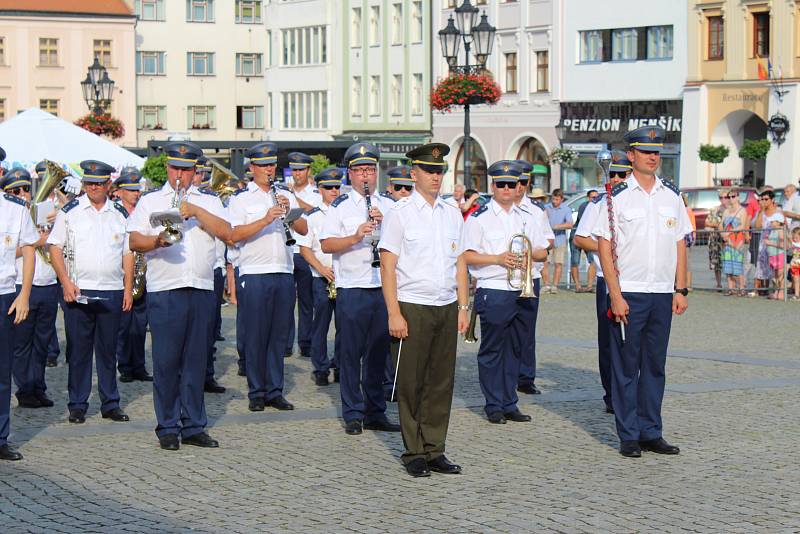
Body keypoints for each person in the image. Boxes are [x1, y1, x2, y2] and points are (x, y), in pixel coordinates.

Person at [592, 126, 691, 458]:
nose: (653, 156)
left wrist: (681, 288)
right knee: (625, 366)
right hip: (630, 292)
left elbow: (680, 243)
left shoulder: (671, 195)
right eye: (646, 151)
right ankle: (629, 434)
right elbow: (606, 249)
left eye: (656, 151)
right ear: (631, 155)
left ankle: (651, 430)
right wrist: (615, 295)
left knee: (654, 366)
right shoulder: (616, 197)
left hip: (662, 292)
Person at [128, 141, 232, 450]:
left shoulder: (209, 200)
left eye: (187, 170)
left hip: (201, 287)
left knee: (196, 360)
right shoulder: (150, 200)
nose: (181, 176)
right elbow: (134, 239)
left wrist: (196, 211)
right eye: (176, 169)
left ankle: (194, 425)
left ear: (195, 171)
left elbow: (227, 232)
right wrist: (156, 242)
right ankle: (168, 426)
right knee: (166, 361)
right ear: (168, 168)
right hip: (166, 289)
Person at [379, 143, 469, 477]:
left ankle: (435, 449)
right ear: (413, 173)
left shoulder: (450, 213)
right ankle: (414, 451)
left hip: (444, 305)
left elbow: (459, 261)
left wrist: (463, 305)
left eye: (439, 171)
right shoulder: (400, 214)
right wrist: (393, 312)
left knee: (440, 382)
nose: (435, 177)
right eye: (429, 171)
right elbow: (387, 266)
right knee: (411, 381)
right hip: (412, 305)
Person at [320, 142, 401, 435]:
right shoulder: (339, 206)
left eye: (369, 169)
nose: (365, 176)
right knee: (351, 354)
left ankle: (375, 410)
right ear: (350, 174)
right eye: (359, 170)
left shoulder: (391, 205)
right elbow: (327, 244)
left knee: (379, 354)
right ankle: (353, 412)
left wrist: (385, 225)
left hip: (382, 287)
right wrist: (356, 235)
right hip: (352, 287)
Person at [462, 160, 549, 425]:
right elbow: (467, 256)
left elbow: (543, 251)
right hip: (495, 288)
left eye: (512, 184)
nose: (507, 189)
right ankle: (494, 404)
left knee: (515, 348)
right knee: (493, 350)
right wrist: (498, 259)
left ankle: (510, 402)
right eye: (501, 184)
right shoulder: (480, 217)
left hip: (523, 287)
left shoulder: (527, 216)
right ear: (493, 186)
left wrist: (528, 253)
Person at [47, 160, 134, 425]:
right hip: (78, 291)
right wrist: (65, 282)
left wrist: (128, 288)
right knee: (79, 351)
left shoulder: (120, 213)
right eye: (89, 183)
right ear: (84, 184)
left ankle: (110, 403)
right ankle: (77, 404)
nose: (93, 188)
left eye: (99, 183)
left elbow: (128, 252)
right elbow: (54, 247)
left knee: (108, 352)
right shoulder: (70, 211)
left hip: (111, 289)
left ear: (109, 184)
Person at [228, 143, 308, 412]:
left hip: (283, 271)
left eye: (272, 165)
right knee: (255, 335)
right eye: (263, 165)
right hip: (254, 272)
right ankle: (256, 392)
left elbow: (304, 228)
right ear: (252, 168)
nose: (269, 170)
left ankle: (275, 390)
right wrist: (264, 219)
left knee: (278, 335)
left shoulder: (285, 194)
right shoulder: (241, 199)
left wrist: (289, 213)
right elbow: (234, 235)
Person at [573, 150, 632, 414]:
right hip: (606, 281)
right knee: (609, 342)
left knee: (633, 343)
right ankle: (612, 394)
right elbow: (580, 238)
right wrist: (605, 246)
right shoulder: (599, 204)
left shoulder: (636, 202)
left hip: (635, 282)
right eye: (614, 174)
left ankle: (632, 392)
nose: (618, 178)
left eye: (623, 174)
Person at [2, 170, 57, 410]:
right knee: (22, 344)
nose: (23, 194)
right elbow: (13, 252)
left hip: (45, 283)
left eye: (26, 189)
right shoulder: (13, 214)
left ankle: (37, 387)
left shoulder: (37, 211)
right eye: (16, 191)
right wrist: (36, 242)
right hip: (17, 285)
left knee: (42, 342)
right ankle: (25, 389)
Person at [0, 146, 38, 461]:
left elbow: (28, 250)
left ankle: (0, 439)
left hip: (3, 294)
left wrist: (24, 294)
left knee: (2, 372)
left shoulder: (15, 209)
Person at [296, 168, 342, 386]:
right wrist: (321, 269)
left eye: (337, 187)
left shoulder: (344, 212)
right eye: (329, 187)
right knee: (321, 325)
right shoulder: (312, 216)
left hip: (344, 277)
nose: (334, 190)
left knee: (345, 326)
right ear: (320, 190)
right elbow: (305, 249)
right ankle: (321, 367)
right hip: (321, 277)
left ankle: (342, 365)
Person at [513, 160, 554, 396]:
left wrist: (534, 249)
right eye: (516, 182)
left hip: (530, 274)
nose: (519, 187)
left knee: (527, 330)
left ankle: (526, 377)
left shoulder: (537, 212)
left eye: (523, 182)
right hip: (504, 276)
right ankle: (507, 373)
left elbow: (548, 240)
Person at [113, 168, 153, 384]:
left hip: (143, 271)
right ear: (119, 192)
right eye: (130, 190)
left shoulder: (143, 211)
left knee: (140, 323)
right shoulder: (116, 212)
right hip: (122, 272)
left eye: (137, 190)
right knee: (123, 324)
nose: (135, 193)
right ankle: (125, 365)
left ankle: (139, 365)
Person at [194, 167, 226, 394]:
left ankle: (207, 375)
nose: (198, 178)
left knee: (209, 328)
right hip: (187, 272)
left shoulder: (212, 201)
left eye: (199, 174)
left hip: (212, 269)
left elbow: (225, 234)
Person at [286, 152, 321, 359]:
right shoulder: (282, 191)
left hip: (306, 251)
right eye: (294, 170)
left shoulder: (316, 193)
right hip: (289, 250)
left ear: (308, 171)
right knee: (287, 301)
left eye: (301, 170)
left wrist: (293, 198)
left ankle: (306, 342)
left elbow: (315, 211)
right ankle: (287, 343)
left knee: (307, 302)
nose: (297, 174)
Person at [753, 190, 784, 298]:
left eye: (766, 199)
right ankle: (759, 290)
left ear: (772, 200)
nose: (763, 201)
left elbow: (783, 227)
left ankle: (777, 291)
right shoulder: (761, 212)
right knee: (761, 266)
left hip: (776, 245)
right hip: (763, 243)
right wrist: (761, 211)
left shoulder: (778, 212)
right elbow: (757, 226)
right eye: (761, 199)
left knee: (776, 269)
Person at [541, 189, 573, 293]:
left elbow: (570, 224)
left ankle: (554, 286)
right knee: (544, 263)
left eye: (557, 199)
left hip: (559, 240)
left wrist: (557, 226)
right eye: (553, 199)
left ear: (562, 199)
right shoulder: (546, 208)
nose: (554, 201)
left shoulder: (566, 209)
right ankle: (546, 285)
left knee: (558, 263)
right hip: (546, 240)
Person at [720, 189, 749, 296]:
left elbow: (743, 225)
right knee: (728, 264)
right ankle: (731, 288)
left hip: (737, 239)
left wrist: (730, 232)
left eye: (733, 196)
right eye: (729, 197)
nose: (731, 199)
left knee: (738, 265)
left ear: (738, 197)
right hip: (727, 240)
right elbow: (721, 224)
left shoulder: (742, 210)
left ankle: (741, 288)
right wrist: (723, 234)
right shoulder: (726, 211)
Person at [570, 189, 599, 293]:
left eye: (596, 197)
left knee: (593, 260)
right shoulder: (584, 206)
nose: (595, 199)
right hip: (578, 234)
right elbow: (586, 222)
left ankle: (589, 286)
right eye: (593, 197)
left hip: (590, 236)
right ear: (588, 198)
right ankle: (577, 286)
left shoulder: (598, 205)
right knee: (575, 261)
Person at [704, 191, 726, 291]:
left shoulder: (731, 210)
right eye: (721, 197)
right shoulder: (715, 209)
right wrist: (718, 225)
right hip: (715, 239)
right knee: (716, 262)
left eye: (726, 197)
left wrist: (717, 224)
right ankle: (719, 283)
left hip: (727, 239)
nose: (723, 200)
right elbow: (707, 222)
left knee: (730, 261)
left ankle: (734, 285)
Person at [682, 193, 696, 291]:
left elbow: (692, 225)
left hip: (686, 239)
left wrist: (693, 237)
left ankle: (688, 285)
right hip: (679, 238)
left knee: (687, 262)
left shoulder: (687, 210)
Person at [789, 227, 800, 300]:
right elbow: (789, 240)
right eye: (794, 237)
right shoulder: (793, 243)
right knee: (795, 278)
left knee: (796, 279)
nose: (794, 239)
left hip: (797, 263)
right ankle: (796, 294)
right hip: (795, 264)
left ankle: (797, 294)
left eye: (796, 237)